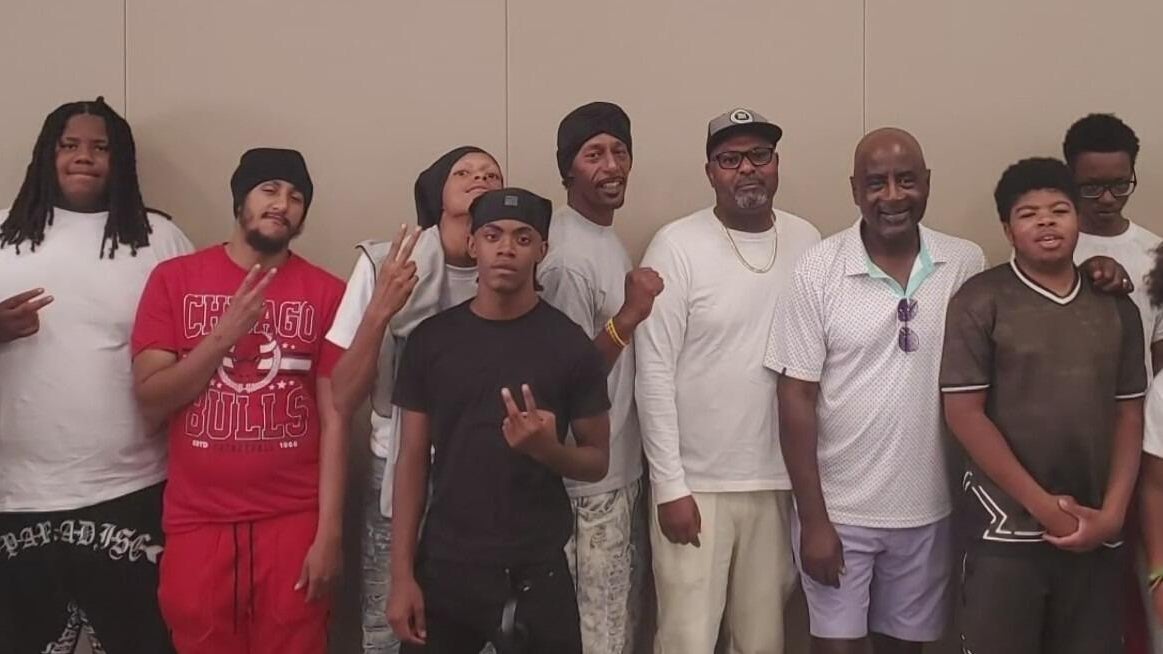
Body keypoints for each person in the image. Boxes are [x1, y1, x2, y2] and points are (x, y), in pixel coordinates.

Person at [768, 128, 985, 654]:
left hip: (929, 510)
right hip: (839, 513)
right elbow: (795, 397)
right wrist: (813, 521)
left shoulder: (965, 263)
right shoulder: (819, 268)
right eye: (876, 183)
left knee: (905, 649)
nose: (892, 196)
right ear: (854, 189)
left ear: (927, 182)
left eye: (906, 180)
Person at [131, 148, 346, 654]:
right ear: (240, 198)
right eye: (269, 189)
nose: (282, 204)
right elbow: (151, 402)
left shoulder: (326, 292)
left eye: (296, 197)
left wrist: (330, 533)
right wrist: (223, 336)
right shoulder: (174, 280)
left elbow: (336, 418)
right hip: (198, 522)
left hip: (294, 519)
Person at [0, 97, 192, 654]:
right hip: (17, 493)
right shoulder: (4, 235)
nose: (84, 157)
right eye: (70, 145)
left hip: (132, 487)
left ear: (121, 160)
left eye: (100, 147)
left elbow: (196, 346)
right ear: (47, 154)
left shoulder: (158, 238)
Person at [387, 188, 611, 653]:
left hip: (536, 570)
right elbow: (411, 459)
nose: (506, 248)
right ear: (473, 245)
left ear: (542, 250)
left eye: (522, 238)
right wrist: (401, 575)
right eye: (493, 236)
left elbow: (597, 461)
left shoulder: (569, 345)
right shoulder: (432, 341)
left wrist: (547, 450)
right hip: (446, 567)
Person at [941, 157, 1147, 654]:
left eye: (1059, 210)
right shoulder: (980, 300)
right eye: (1029, 214)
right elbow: (964, 415)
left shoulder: (1116, 306)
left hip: (1096, 531)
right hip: (1004, 532)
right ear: (1007, 230)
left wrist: (1113, 515)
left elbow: (1129, 414)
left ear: (1079, 220)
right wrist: (1044, 508)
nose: (1046, 222)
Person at [635, 107, 820, 653]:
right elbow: (653, 371)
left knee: (763, 641)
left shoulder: (808, 240)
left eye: (760, 155)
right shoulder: (676, 245)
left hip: (777, 482)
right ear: (710, 171)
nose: (747, 169)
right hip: (697, 486)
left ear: (777, 163)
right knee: (687, 639)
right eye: (730, 159)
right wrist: (669, 486)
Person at [325, 146, 505, 654]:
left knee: (480, 631)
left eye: (491, 174)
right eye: (464, 172)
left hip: (484, 476)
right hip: (396, 465)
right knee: (390, 627)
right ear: (436, 191)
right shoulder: (386, 263)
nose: (479, 178)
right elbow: (342, 394)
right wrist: (381, 309)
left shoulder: (515, 267)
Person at [538, 101, 662, 654]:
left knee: (617, 632)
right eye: (594, 154)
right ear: (568, 169)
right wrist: (629, 316)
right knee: (598, 639)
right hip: (586, 492)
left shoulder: (601, 236)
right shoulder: (566, 256)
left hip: (617, 476)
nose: (611, 166)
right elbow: (566, 380)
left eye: (619, 151)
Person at [1065, 113, 1163, 376]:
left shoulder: (1156, 253)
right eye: (1092, 187)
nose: (1107, 198)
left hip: (1140, 400)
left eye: (1120, 184)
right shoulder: (1045, 248)